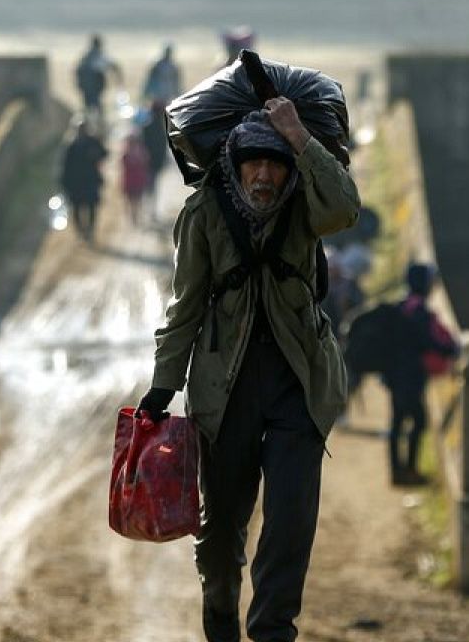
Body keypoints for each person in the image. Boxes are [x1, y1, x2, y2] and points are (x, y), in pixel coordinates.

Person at [136, 98, 360, 642]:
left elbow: (345, 210)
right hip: (224, 386)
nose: (264, 174)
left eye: (275, 162)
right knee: (219, 538)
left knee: (288, 523)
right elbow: (185, 303)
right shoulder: (205, 213)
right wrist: (165, 384)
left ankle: (272, 630)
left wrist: (300, 139)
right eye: (253, 163)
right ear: (236, 165)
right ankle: (220, 624)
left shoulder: (306, 204)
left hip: (298, 384)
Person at [382, 262, 460, 486]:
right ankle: (410, 471)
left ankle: (397, 472)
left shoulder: (400, 306)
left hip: (394, 374)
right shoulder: (419, 312)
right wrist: (452, 349)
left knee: (397, 423)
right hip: (411, 376)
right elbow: (429, 342)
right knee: (419, 421)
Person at [59, 121, 107, 241]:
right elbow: (65, 166)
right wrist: (65, 183)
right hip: (76, 183)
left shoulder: (92, 142)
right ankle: (81, 232)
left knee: (91, 207)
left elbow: (104, 153)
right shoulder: (71, 146)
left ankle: (90, 230)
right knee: (76, 208)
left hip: (90, 181)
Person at [74, 34, 123, 127]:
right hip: (93, 88)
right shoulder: (96, 56)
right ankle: (97, 127)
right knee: (96, 109)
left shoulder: (86, 57)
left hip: (87, 88)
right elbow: (111, 65)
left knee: (89, 109)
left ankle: (90, 127)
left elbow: (78, 71)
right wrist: (118, 78)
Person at [140, 99, 171, 218]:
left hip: (151, 162)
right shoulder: (158, 127)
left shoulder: (148, 126)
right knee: (151, 186)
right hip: (150, 162)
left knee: (150, 185)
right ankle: (149, 210)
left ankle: (149, 210)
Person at [119, 129, 152, 226]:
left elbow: (146, 163)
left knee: (137, 200)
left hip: (137, 180)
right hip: (130, 180)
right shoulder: (126, 152)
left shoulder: (141, 151)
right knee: (130, 201)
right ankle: (132, 219)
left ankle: (136, 218)